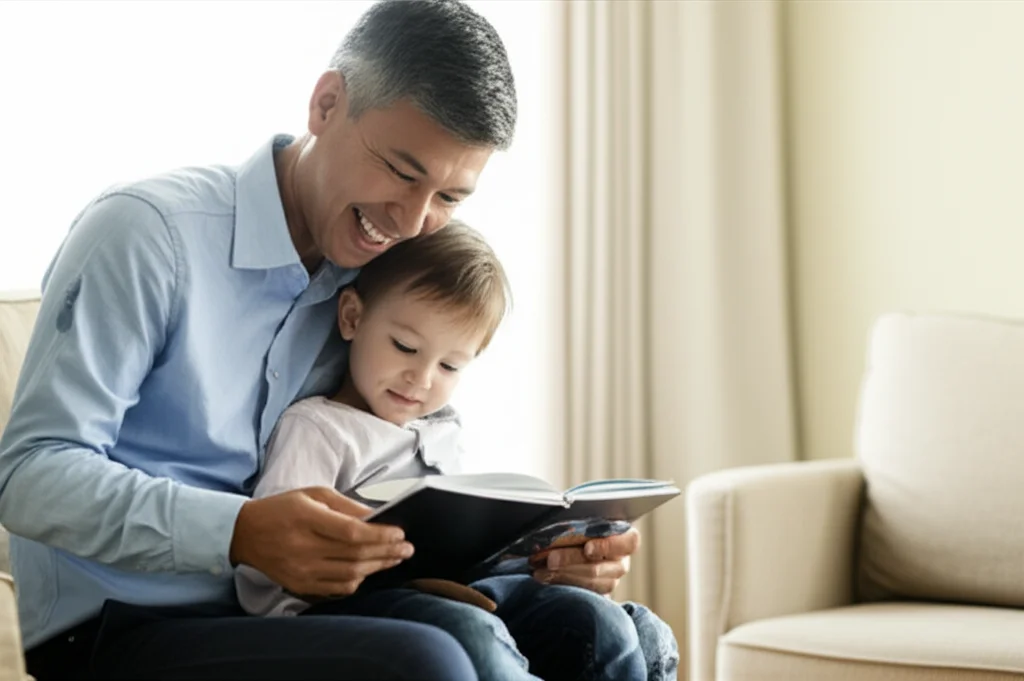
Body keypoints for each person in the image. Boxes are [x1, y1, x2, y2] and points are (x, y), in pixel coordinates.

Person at [0, 1, 646, 679]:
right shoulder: (148, 235)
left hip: (302, 614)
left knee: (595, 630)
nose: (412, 221)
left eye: (449, 197)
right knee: (429, 661)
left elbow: (401, 456)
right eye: (403, 172)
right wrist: (238, 531)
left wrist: (539, 553)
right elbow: (29, 474)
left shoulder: (378, 276)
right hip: (117, 627)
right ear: (327, 104)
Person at [234, 221, 679, 681]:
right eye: (405, 347)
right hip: (363, 608)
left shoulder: (442, 430)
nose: (422, 379)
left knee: (617, 624)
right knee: (474, 632)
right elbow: (266, 583)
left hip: (468, 589)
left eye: (449, 365)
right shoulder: (319, 429)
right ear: (352, 318)